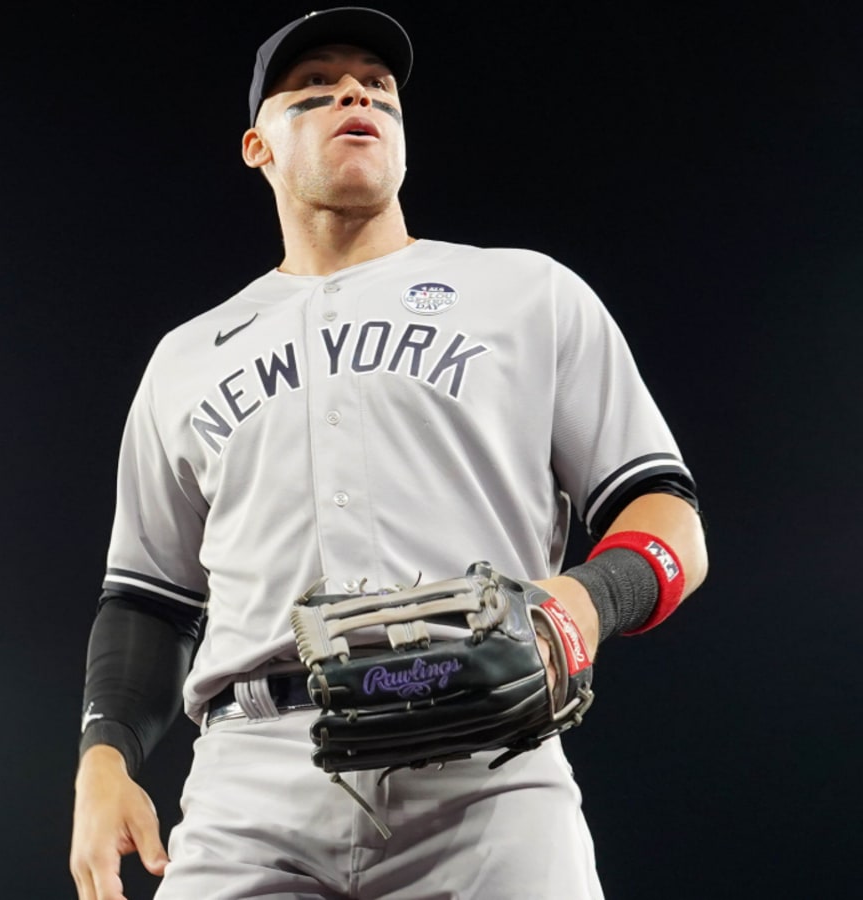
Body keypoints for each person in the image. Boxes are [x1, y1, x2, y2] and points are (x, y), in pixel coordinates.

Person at [69, 8, 708, 900]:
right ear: (258, 147)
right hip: (252, 780)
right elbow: (147, 598)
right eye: (316, 89)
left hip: (488, 769)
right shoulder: (188, 355)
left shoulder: (526, 293)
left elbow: (667, 513)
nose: (356, 94)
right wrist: (103, 758)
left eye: (377, 85)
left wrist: (582, 607)